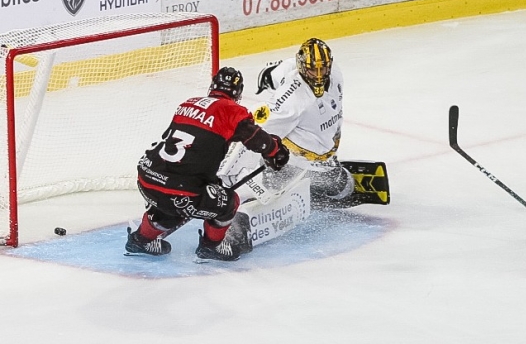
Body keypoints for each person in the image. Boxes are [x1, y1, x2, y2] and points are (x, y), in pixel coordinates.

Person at [126, 67, 290, 261]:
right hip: (179, 190)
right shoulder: (232, 110)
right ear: (237, 92)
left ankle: (140, 240)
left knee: (172, 205)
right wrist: (275, 151)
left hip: (147, 178)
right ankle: (211, 247)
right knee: (229, 202)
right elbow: (255, 138)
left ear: (213, 86)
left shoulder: (187, 104)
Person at [224, 38, 356, 209]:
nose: (318, 76)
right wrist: (229, 172)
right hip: (291, 162)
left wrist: (269, 74)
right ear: (302, 68)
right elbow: (256, 133)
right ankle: (273, 187)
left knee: (344, 189)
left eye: (322, 69)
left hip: (325, 161)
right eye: (312, 70)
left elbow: (280, 71)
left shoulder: (335, 73)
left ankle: (304, 188)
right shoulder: (292, 102)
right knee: (337, 191)